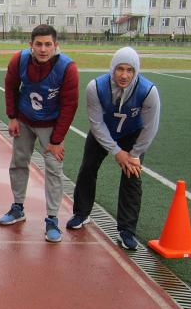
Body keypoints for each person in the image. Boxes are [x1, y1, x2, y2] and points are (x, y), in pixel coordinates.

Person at [66, 47, 161, 250]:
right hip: (104, 132)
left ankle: (126, 229)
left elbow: (150, 128)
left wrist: (133, 155)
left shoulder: (148, 91)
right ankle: (81, 213)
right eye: (120, 69)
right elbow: (96, 123)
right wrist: (116, 151)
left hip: (132, 135)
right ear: (112, 68)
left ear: (136, 71)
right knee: (87, 169)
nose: (124, 75)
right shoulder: (96, 87)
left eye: (129, 70)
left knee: (132, 176)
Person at [0, 24, 79, 242]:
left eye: (48, 44)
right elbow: (10, 86)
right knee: (18, 161)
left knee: (53, 168)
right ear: (30, 45)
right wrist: (12, 116)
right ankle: (18, 207)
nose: (43, 49)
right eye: (38, 44)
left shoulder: (67, 68)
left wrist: (57, 139)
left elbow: (69, 105)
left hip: (50, 124)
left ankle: (52, 218)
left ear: (56, 45)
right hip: (24, 119)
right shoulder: (19, 60)